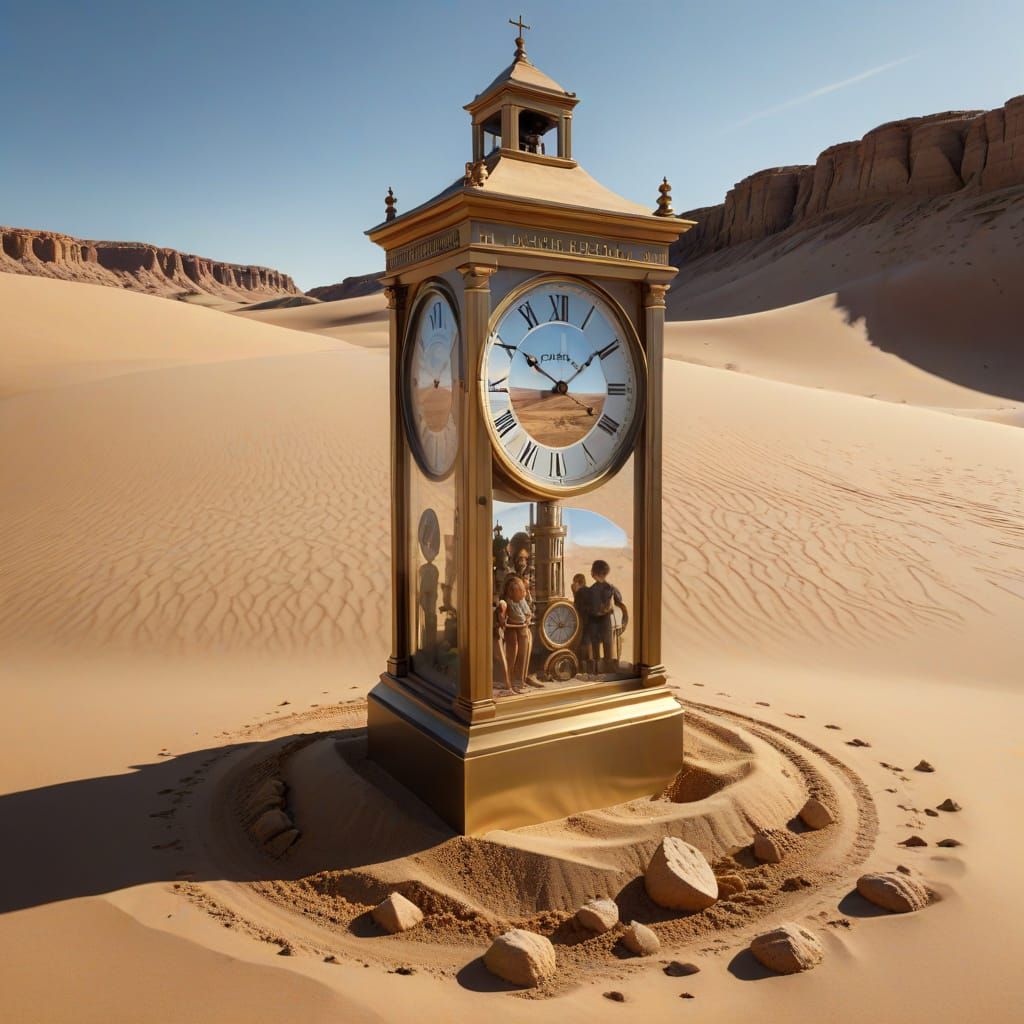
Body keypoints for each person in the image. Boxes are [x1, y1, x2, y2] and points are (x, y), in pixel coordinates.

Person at [586, 560, 628, 674]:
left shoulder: (590, 590)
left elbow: (587, 607)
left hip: (594, 621)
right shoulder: (611, 588)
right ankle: (608, 670)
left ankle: (596, 670)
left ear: (594, 573)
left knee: (595, 645)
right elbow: (620, 602)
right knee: (607, 644)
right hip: (606, 621)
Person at [495, 574, 533, 694]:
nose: (523, 594)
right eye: (520, 591)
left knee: (522, 654)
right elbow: (503, 619)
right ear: (510, 592)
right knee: (512, 655)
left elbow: (528, 614)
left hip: (522, 629)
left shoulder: (521, 601)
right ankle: (509, 682)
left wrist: (527, 619)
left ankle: (519, 681)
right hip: (511, 630)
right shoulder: (506, 602)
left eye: (523, 590)